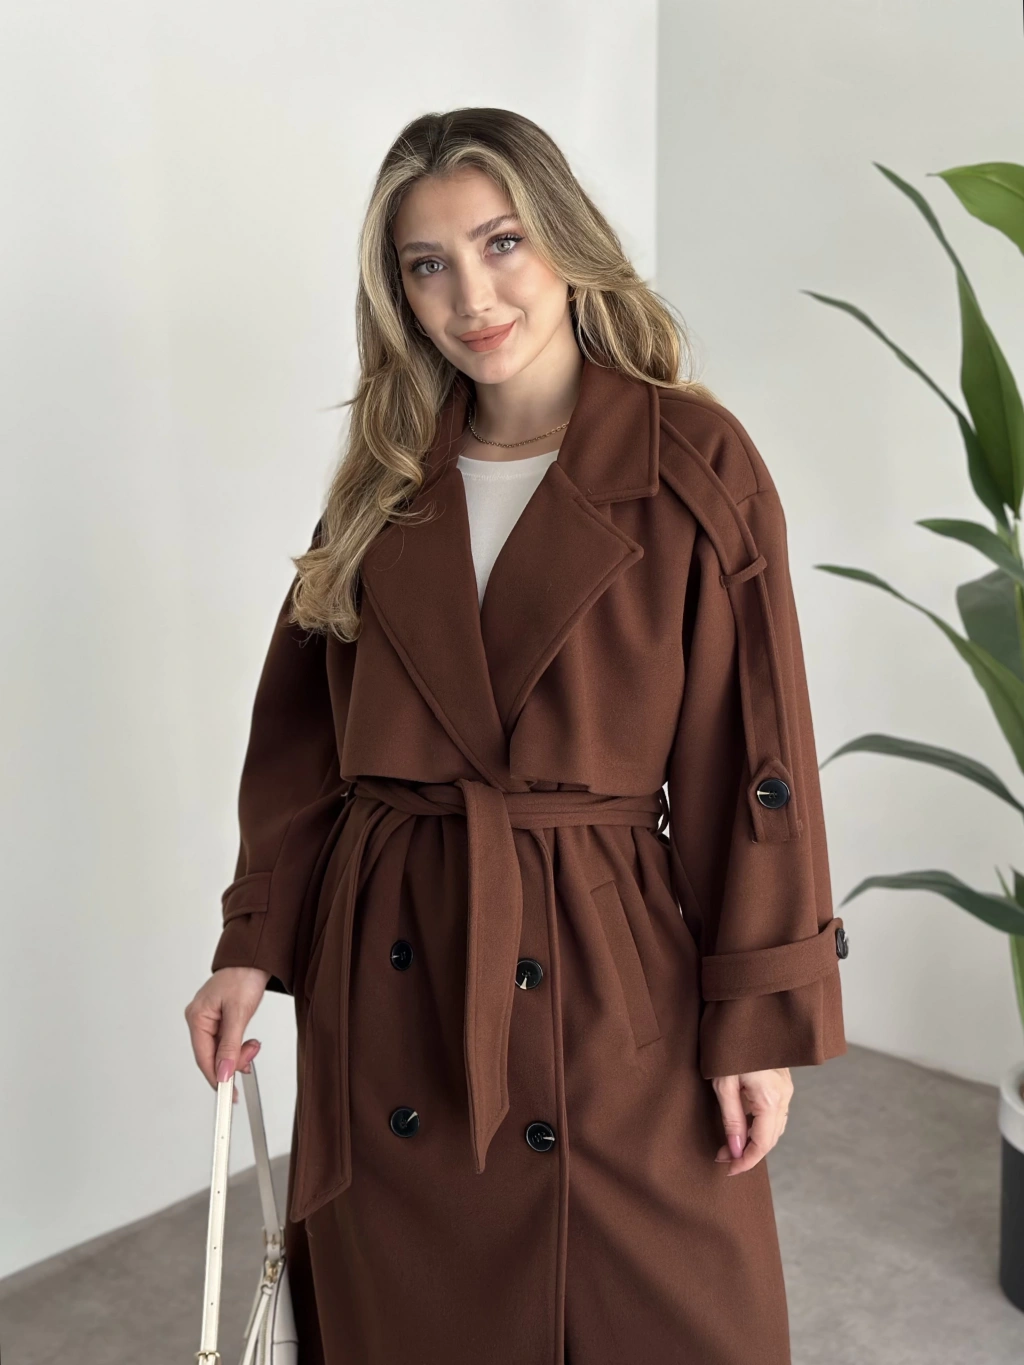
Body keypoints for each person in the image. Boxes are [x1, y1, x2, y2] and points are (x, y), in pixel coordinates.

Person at [184, 106, 848, 1365]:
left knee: (681, 1316)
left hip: (604, 968)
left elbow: (753, 764)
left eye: (500, 243)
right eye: (425, 264)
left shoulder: (690, 458)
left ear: (565, 239)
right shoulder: (384, 477)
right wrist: (251, 944)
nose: (471, 295)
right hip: (389, 965)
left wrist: (759, 1021)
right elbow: (301, 745)